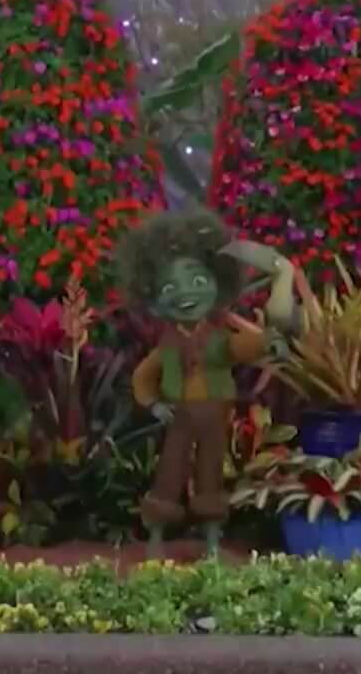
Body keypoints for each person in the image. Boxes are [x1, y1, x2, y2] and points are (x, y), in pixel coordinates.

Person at [116, 208, 297, 560]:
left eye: (198, 281)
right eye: (169, 286)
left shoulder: (217, 339)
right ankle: (156, 535)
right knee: (169, 472)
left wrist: (267, 342)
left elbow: (239, 346)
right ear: (152, 298)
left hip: (214, 417)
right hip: (180, 418)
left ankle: (212, 539)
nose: (185, 294)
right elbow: (142, 376)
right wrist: (153, 404)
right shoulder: (166, 346)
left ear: (219, 285)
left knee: (210, 472)